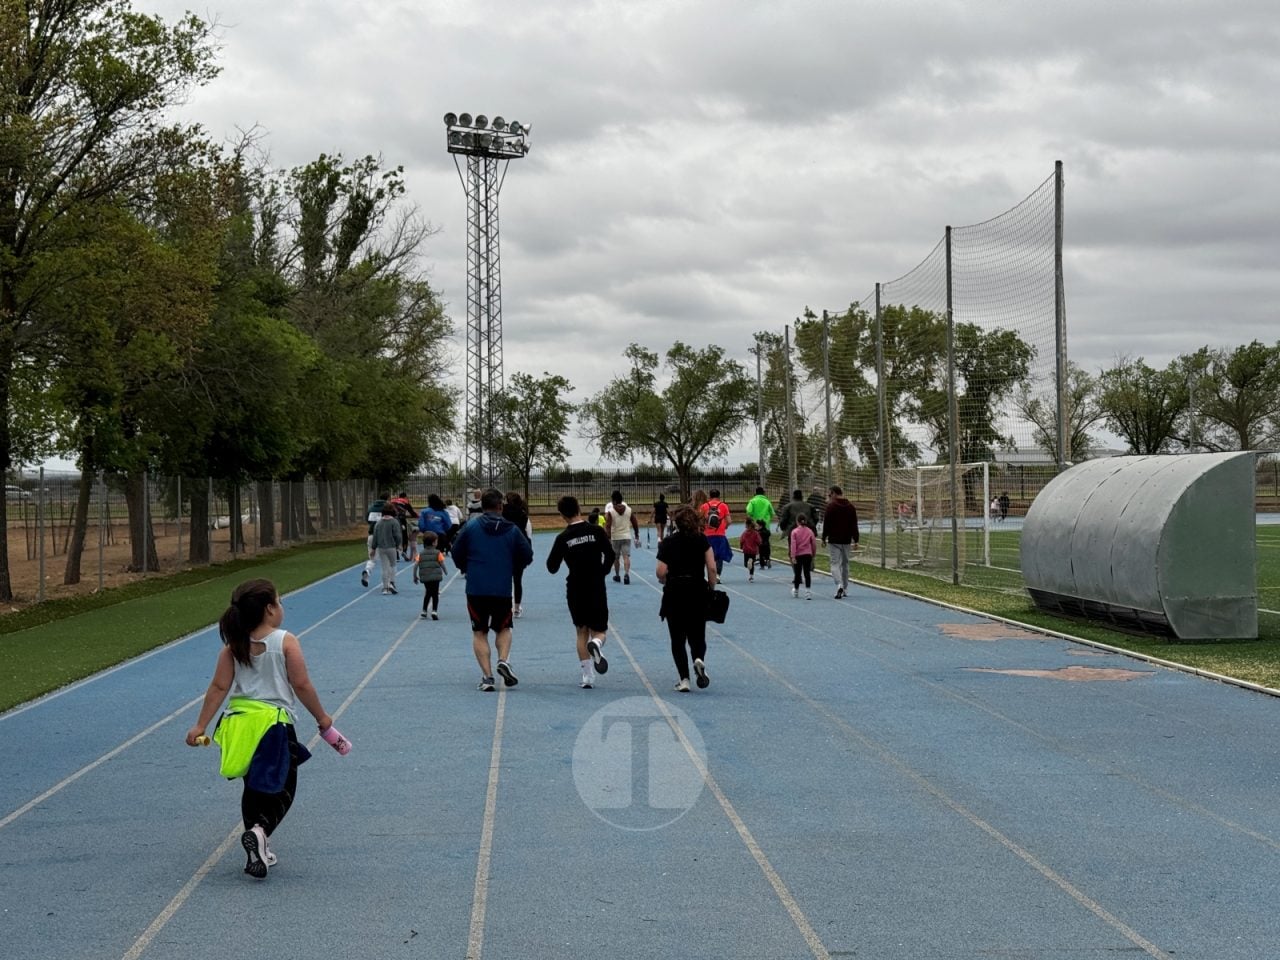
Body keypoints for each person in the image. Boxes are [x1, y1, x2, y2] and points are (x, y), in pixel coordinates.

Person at [185, 578, 334, 880]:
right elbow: (301, 684)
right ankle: (261, 831)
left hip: (239, 724)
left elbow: (219, 686)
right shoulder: (285, 641)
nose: (281, 608)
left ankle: (256, 849)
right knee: (284, 786)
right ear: (269, 609)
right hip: (273, 724)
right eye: (279, 601)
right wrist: (322, 717)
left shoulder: (233, 646)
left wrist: (200, 724)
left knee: (252, 786)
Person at [449, 488, 534, 691]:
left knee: (479, 632)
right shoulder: (512, 530)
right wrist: (512, 566)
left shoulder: (471, 527)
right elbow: (528, 555)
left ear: (483, 506)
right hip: (501, 588)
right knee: (504, 628)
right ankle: (503, 659)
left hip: (476, 587)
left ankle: (487, 678)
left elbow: (456, 551)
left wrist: (466, 566)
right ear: (500, 507)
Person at [545, 495, 616, 688]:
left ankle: (587, 676)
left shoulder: (562, 538)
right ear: (579, 508)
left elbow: (551, 567)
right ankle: (598, 645)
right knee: (599, 630)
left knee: (581, 631)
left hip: (575, 587)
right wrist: (603, 571)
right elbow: (610, 554)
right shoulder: (596, 531)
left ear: (561, 515)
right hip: (595, 584)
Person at [656, 504, 717, 692]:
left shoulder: (668, 542)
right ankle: (698, 658)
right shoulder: (702, 540)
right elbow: (712, 567)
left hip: (675, 592)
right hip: (697, 590)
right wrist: (711, 588)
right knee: (698, 634)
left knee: (677, 638)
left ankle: (684, 679)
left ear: (676, 522)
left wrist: (668, 580)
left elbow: (660, 572)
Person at [822, 485, 859, 599]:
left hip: (834, 540)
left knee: (834, 563)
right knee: (845, 564)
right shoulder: (851, 507)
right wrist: (856, 539)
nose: (829, 497)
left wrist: (824, 537)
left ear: (833, 493)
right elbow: (854, 524)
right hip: (846, 540)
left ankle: (839, 584)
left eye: (829, 494)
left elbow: (826, 523)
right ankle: (845, 588)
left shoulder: (831, 507)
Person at [502, 491, 534, 616]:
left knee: (505, 580)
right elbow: (529, 535)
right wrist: (529, 553)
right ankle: (516, 608)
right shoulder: (523, 516)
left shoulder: (502, 514)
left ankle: (505, 606)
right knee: (517, 580)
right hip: (518, 552)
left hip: (505, 550)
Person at [605, 490, 641, 584]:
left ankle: (617, 575)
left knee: (616, 558)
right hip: (626, 536)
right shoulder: (629, 510)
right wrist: (636, 533)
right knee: (626, 556)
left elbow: (608, 525)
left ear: (614, 500)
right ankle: (626, 574)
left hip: (615, 537)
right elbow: (635, 522)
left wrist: (608, 537)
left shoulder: (611, 511)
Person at [360, 490, 390, 588]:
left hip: (372, 535)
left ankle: (367, 571)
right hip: (384, 536)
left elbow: (367, 519)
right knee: (386, 560)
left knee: (372, 559)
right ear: (388, 498)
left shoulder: (371, 507)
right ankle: (388, 584)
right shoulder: (388, 507)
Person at [699, 488, 732, 575]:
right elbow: (729, 521)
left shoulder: (704, 506)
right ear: (719, 496)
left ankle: (708, 573)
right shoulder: (723, 506)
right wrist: (725, 527)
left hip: (707, 535)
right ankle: (717, 575)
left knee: (706, 555)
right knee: (719, 556)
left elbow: (699, 521)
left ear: (709, 496)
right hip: (720, 534)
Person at [416, 531, 448, 619]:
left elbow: (416, 564)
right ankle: (434, 611)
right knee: (435, 594)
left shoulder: (421, 553)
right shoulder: (438, 553)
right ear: (434, 543)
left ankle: (424, 610)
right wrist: (445, 571)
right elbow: (442, 563)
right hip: (436, 577)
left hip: (425, 576)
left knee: (428, 593)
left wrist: (414, 575)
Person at [370, 505, 402, 595]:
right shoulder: (394, 522)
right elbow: (397, 535)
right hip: (391, 547)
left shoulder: (378, 523)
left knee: (384, 567)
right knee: (393, 565)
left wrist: (373, 548)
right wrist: (398, 544)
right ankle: (392, 583)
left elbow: (375, 536)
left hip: (381, 548)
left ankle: (385, 588)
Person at [744, 486, 775, 569]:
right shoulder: (767, 501)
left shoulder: (753, 501)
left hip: (755, 525)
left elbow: (749, 511)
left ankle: (758, 557)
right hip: (766, 525)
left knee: (756, 542)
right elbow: (772, 513)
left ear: (755, 492)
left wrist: (752, 519)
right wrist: (767, 518)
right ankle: (767, 557)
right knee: (766, 542)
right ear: (763, 493)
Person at [789, 513, 816, 600]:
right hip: (808, 554)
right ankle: (808, 592)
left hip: (798, 555)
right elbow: (814, 543)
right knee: (807, 573)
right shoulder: (810, 531)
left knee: (797, 573)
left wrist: (793, 556)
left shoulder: (794, 532)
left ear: (797, 522)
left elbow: (793, 545)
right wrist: (813, 553)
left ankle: (796, 590)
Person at [389, 491, 419, 559]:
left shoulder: (392, 501)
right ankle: (404, 551)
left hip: (392, 519)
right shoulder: (405, 501)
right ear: (405, 497)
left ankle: (396, 554)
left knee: (393, 535)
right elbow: (411, 512)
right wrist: (417, 516)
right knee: (404, 536)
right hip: (401, 520)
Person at [739, 518, 762, 582]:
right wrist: (759, 544)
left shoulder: (744, 533)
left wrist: (741, 546)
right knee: (752, 563)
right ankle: (751, 576)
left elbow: (741, 540)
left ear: (747, 525)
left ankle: (749, 563)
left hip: (746, 550)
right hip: (753, 551)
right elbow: (759, 541)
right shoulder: (755, 533)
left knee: (746, 564)